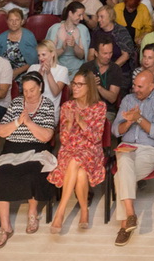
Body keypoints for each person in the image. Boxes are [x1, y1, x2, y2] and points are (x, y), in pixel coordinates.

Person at [0, 73, 57, 248]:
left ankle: (32, 213)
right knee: (2, 174)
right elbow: (2, 132)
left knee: (33, 172)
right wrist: (18, 122)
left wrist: (30, 123)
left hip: (37, 150)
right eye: (25, 90)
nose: (28, 94)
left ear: (40, 87)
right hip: (12, 149)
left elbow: (46, 136)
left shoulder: (47, 104)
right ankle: (5, 226)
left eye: (32, 90)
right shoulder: (17, 103)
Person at [110, 70, 154, 247]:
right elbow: (115, 130)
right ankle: (130, 216)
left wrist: (139, 118)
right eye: (134, 85)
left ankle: (125, 222)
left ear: (152, 86)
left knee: (119, 175)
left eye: (140, 86)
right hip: (127, 147)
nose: (135, 89)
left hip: (150, 150)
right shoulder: (128, 100)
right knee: (124, 155)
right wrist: (128, 122)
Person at [47, 68, 107, 233]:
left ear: (89, 87)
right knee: (79, 171)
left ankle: (60, 211)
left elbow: (96, 138)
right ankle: (84, 211)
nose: (76, 87)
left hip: (91, 150)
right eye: (74, 84)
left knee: (76, 161)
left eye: (80, 84)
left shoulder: (99, 107)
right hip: (70, 149)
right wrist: (67, 124)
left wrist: (81, 122)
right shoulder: (67, 106)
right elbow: (65, 141)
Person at [88, 6, 137, 82]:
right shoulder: (96, 32)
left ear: (110, 17)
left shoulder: (121, 31)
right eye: (98, 17)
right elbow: (91, 54)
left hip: (120, 71)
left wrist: (109, 70)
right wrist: (95, 69)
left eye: (102, 17)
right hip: (99, 71)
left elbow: (126, 55)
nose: (98, 20)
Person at [78, 38, 123, 112]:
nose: (108, 57)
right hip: (86, 108)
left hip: (107, 110)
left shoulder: (115, 69)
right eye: (105, 53)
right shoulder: (86, 67)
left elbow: (112, 99)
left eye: (110, 53)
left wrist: (97, 87)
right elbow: (77, 91)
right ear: (96, 53)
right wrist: (88, 84)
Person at [26, 40, 69, 118]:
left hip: (50, 112)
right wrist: (39, 76)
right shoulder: (33, 67)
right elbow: (27, 92)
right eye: (39, 55)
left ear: (52, 53)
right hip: (31, 110)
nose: (41, 58)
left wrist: (48, 73)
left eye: (43, 55)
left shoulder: (62, 70)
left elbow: (55, 92)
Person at [49, 1, 92, 78]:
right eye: (79, 15)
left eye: (82, 15)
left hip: (78, 69)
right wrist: (62, 49)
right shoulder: (55, 28)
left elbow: (82, 56)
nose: (82, 18)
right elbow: (49, 55)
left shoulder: (83, 29)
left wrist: (75, 45)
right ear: (70, 13)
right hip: (58, 68)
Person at [0, 8, 39, 79]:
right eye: (11, 20)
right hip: (4, 72)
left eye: (17, 20)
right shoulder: (2, 36)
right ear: (7, 21)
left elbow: (33, 60)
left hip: (25, 72)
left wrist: (16, 72)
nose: (14, 23)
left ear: (22, 21)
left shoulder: (29, 36)